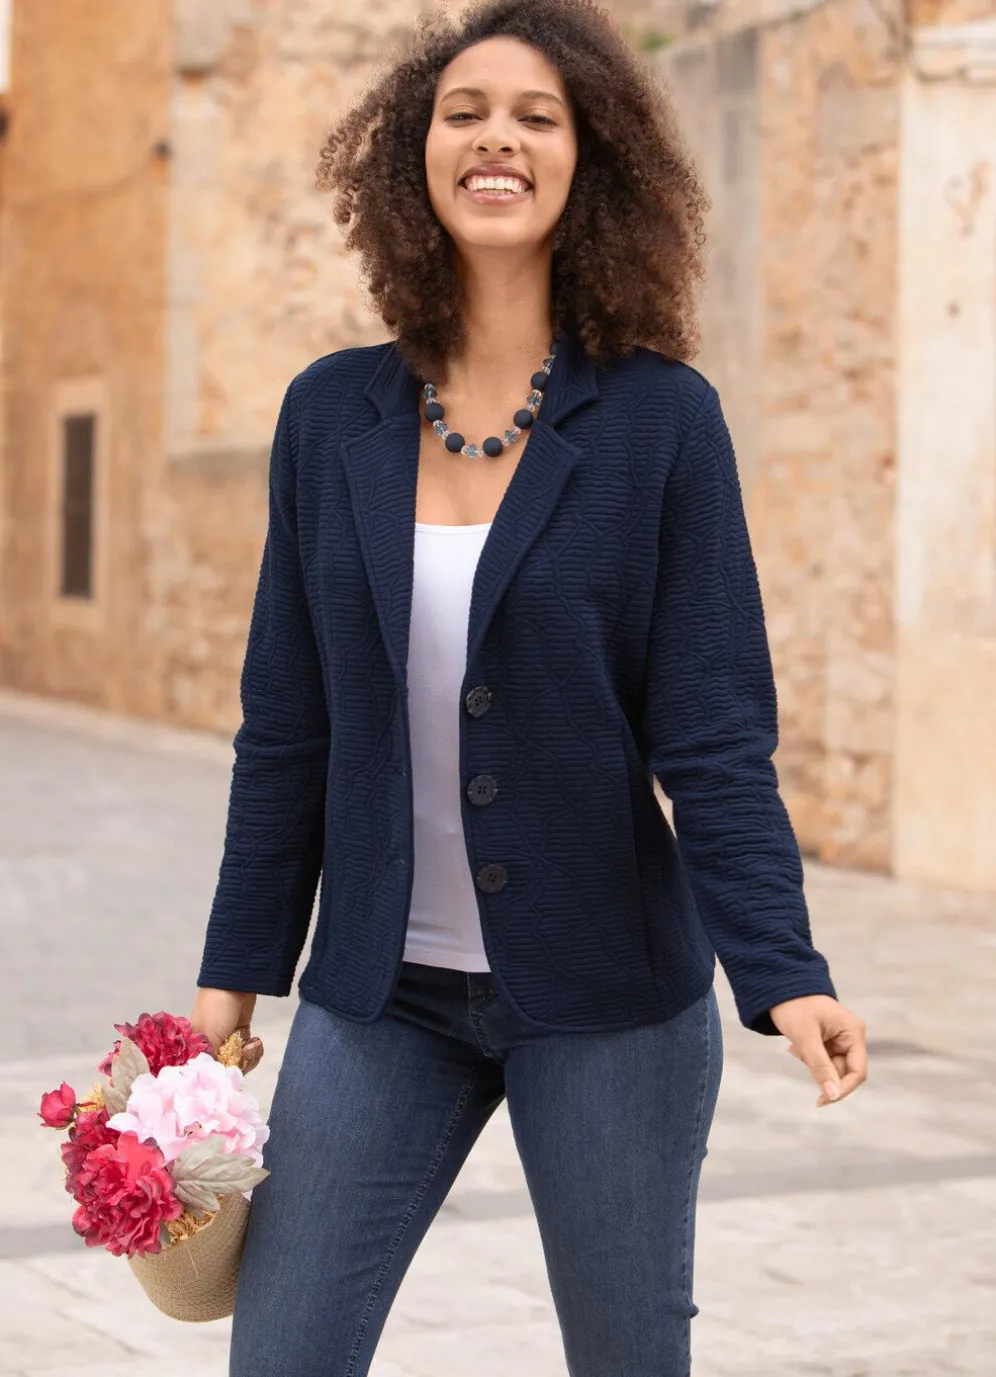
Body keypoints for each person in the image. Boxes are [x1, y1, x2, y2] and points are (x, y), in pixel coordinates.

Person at [191, 2, 868, 1373]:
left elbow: (713, 732)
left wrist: (783, 970)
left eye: (536, 117)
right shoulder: (329, 415)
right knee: (282, 1352)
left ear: (588, 162)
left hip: (611, 995)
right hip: (381, 995)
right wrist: (231, 981)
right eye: (464, 112)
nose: (496, 137)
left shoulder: (664, 421)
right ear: (415, 157)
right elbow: (288, 730)